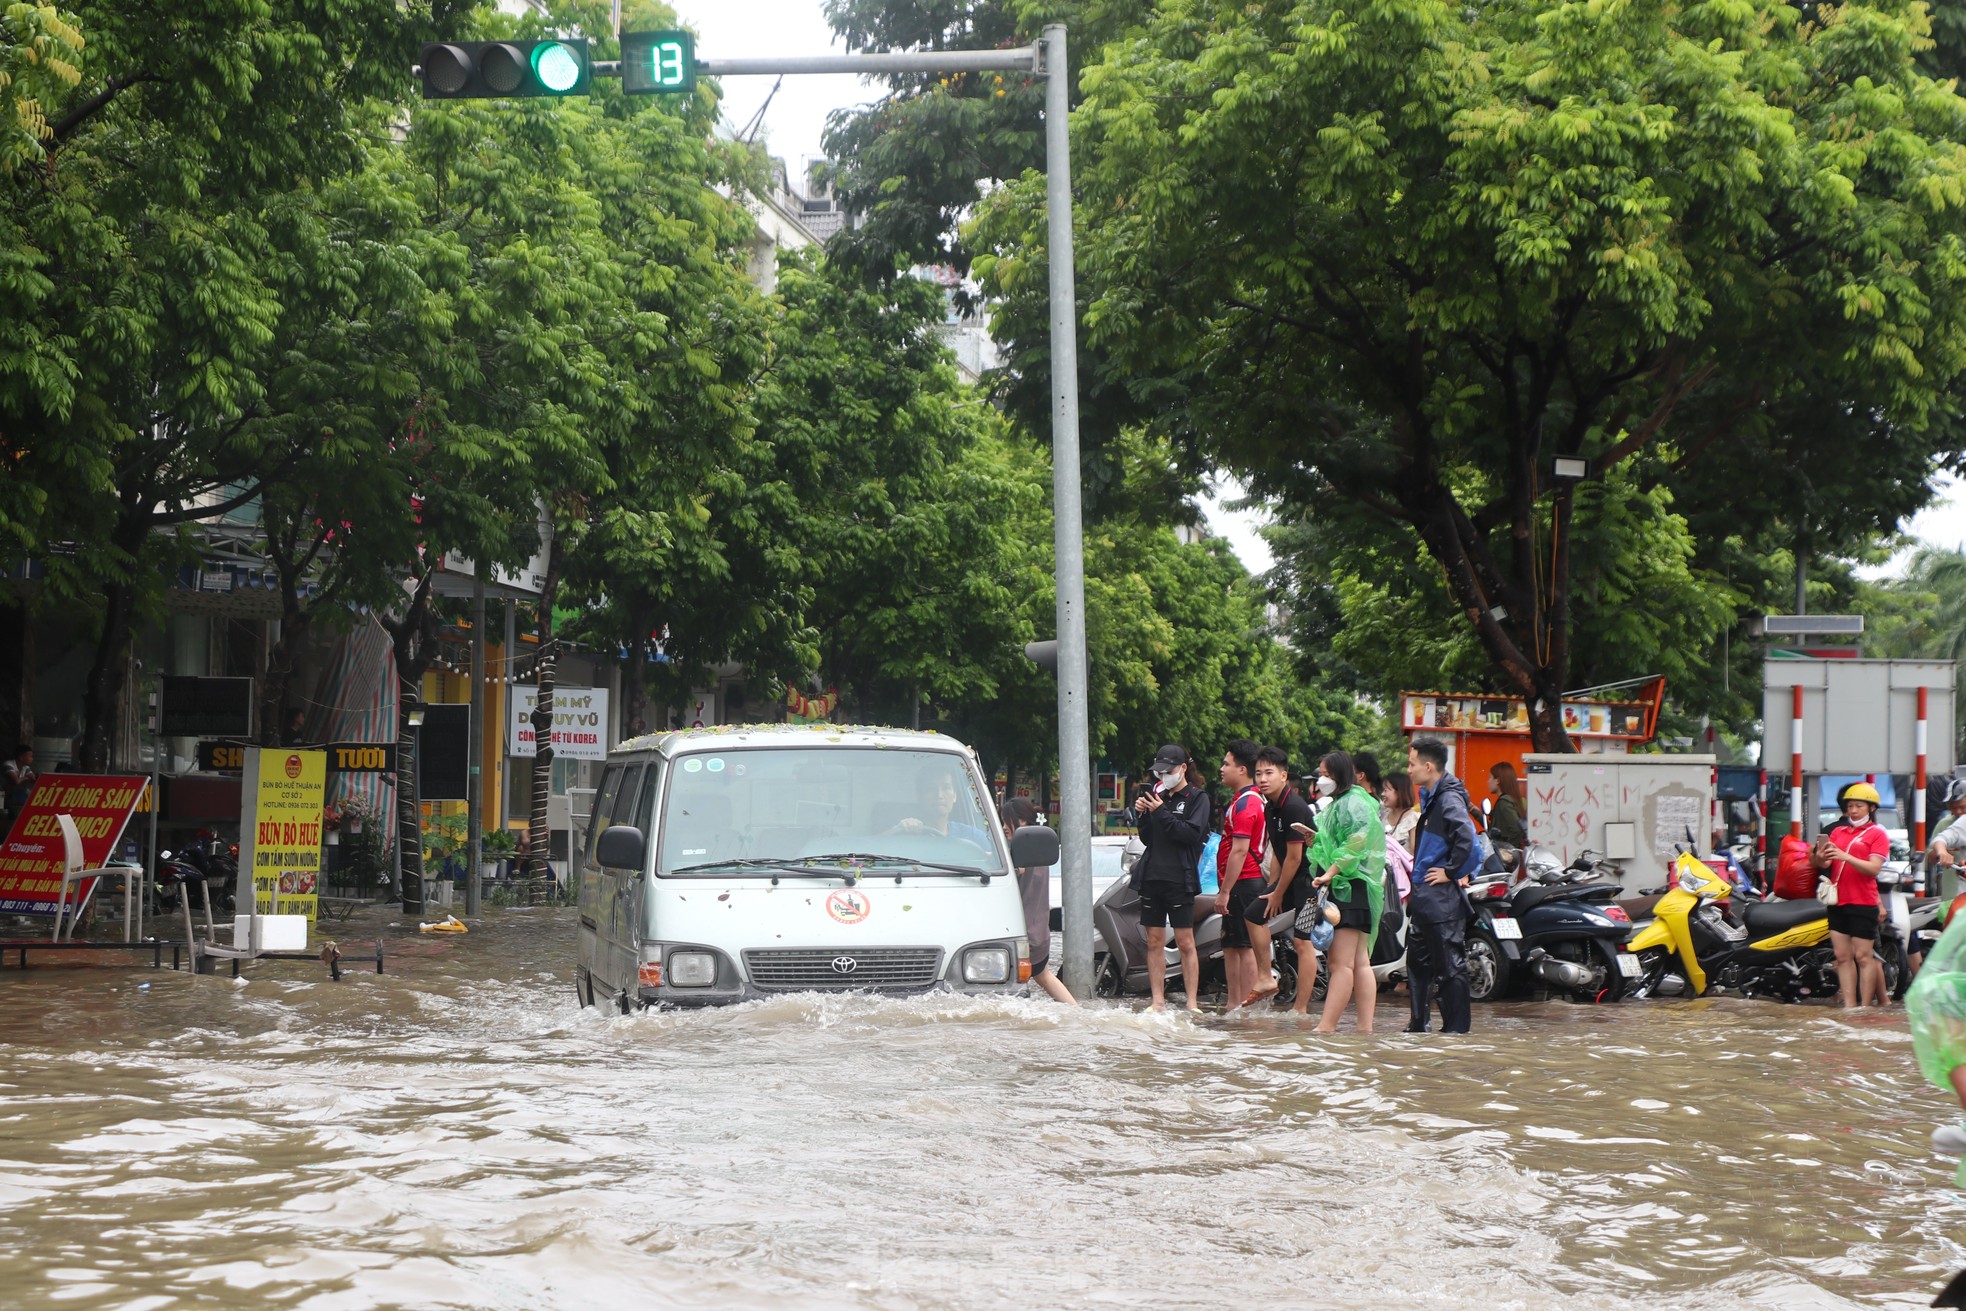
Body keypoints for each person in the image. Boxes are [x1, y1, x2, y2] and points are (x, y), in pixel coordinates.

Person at [1308, 751, 1386, 1034]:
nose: (1321, 780)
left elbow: (1356, 842)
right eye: (1320, 774)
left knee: (1340, 963)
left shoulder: (1350, 802)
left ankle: (1326, 1027)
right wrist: (1315, 840)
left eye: (1326, 774)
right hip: (1358, 887)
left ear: (1341, 775)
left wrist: (1330, 872)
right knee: (1359, 961)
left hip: (1347, 887)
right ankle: (1364, 1029)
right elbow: (1339, 842)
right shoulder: (1348, 802)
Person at [1131, 744, 1212, 1011]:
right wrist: (1143, 815)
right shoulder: (1159, 796)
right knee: (1153, 940)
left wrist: (1160, 812)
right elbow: (1148, 839)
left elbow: (1189, 835)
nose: (1163, 776)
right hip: (1152, 876)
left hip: (1180, 878)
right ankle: (1158, 1000)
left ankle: (1191, 1002)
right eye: (1160, 772)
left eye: (1169, 771)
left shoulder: (1197, 798)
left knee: (1185, 941)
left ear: (1183, 768)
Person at [1406, 737, 1478, 1034]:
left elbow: (1471, 845)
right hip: (1424, 897)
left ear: (1428, 766)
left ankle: (1457, 1033)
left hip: (1441, 899)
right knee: (1418, 965)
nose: (1408, 770)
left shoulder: (1447, 799)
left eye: (1411, 764)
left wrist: (1451, 872)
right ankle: (1418, 1027)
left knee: (1450, 967)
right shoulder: (1431, 795)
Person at [1255, 746, 1319, 1015]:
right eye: (1258, 773)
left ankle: (1301, 1009)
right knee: (1253, 914)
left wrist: (1279, 893)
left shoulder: (1294, 807)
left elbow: (1295, 857)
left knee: (1303, 942)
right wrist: (1273, 887)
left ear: (1284, 776)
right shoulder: (1271, 807)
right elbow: (1280, 854)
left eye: (1269, 773)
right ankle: (1264, 977)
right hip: (1288, 880)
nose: (1262, 779)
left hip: (1309, 884)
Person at [1814, 781, 1890, 1008]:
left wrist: (1845, 856)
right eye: (1851, 806)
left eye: (1859, 806)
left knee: (1864, 957)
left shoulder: (1877, 834)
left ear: (1871, 808)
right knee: (1842, 956)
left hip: (1863, 902)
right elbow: (1822, 862)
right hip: (1838, 901)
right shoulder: (1838, 831)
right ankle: (1850, 1005)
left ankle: (1865, 1006)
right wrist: (1820, 856)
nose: (1854, 810)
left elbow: (1874, 868)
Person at [1216, 739, 1273, 1009]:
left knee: (1244, 947)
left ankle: (1248, 1011)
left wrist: (1225, 891)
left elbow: (1239, 851)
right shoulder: (1241, 800)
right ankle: (1233, 1006)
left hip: (1245, 883)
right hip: (1241, 882)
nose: (1221, 768)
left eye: (1227, 764)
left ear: (1242, 770)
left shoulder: (1247, 803)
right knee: (1233, 946)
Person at [1001, 797, 1075, 1005]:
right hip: (1039, 931)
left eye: (1007, 821)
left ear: (1023, 822)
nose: (1004, 827)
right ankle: (1078, 1014)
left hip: (1023, 934)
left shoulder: (1020, 853)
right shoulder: (1040, 851)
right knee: (1043, 976)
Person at [887, 772, 990, 850]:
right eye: (931, 788)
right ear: (920, 796)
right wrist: (899, 829)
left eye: (946, 788)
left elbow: (994, 861)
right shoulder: (905, 834)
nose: (939, 795)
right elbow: (874, 854)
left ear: (954, 796)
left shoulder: (972, 835)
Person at [1486, 762, 1527, 849]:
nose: (1488, 781)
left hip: (1505, 857)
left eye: (1490, 778)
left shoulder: (1504, 803)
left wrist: (1508, 851)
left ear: (1498, 780)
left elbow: (1517, 830)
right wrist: (1474, 811)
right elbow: (1495, 829)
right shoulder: (1512, 800)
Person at [2, 744, 36, 834]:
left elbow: (33, 779)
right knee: (2, 815)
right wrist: (24, 778)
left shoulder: (25, 767)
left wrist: (25, 777)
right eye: (30, 756)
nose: (31, 759)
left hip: (10, 796)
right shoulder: (8, 765)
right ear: (21, 757)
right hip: (1, 794)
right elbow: (16, 781)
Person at [1382, 772, 1419, 853]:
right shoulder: (1383, 815)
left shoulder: (1413, 819)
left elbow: (1415, 853)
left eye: (1386, 790)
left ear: (1399, 792)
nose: (1382, 794)